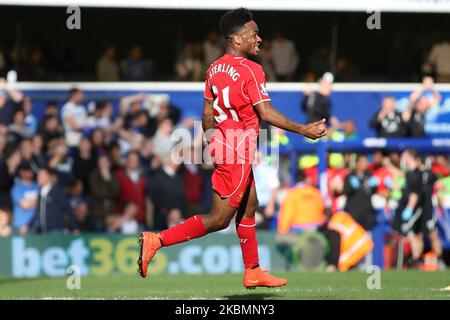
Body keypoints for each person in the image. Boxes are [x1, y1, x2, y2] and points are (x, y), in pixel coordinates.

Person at [138, 8, 326, 288]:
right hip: (236, 149)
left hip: (226, 146)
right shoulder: (252, 70)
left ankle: (252, 270)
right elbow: (266, 113)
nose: (259, 39)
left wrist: (215, 141)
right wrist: (304, 130)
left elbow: (206, 115)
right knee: (219, 219)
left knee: (250, 205)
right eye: (254, 34)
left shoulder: (213, 69)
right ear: (237, 40)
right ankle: (157, 240)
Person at [393, 150, 444, 268]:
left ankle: (440, 259)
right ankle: (416, 260)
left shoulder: (428, 174)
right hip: (418, 209)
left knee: (431, 233)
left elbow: (439, 185)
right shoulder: (412, 174)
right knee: (418, 234)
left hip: (428, 208)